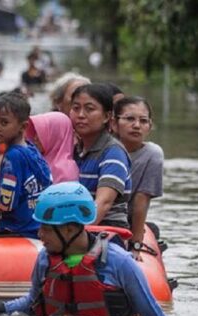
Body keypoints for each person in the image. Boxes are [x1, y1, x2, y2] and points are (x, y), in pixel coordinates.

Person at [0, 182, 171, 316]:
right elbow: (32, 301)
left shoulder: (120, 263)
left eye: (46, 228)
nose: (39, 234)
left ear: (70, 229)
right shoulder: (45, 259)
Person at [0, 92, 52, 238]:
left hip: (17, 230)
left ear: (23, 126)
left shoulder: (12, 157)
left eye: (4, 122)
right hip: (37, 225)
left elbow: (6, 204)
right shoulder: (32, 149)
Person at [70, 83, 132, 229]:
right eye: (76, 108)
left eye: (89, 109)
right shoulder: (75, 150)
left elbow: (103, 203)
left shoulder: (113, 152)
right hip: (77, 227)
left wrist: (72, 238)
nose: (80, 115)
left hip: (107, 229)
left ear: (106, 116)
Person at [112, 96, 163, 259]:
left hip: (124, 221)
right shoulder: (104, 148)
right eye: (129, 119)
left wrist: (135, 244)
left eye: (143, 121)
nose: (136, 125)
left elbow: (141, 201)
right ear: (114, 123)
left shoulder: (152, 154)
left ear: (150, 126)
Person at [24, 112, 79, 183]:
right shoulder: (37, 161)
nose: (35, 138)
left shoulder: (65, 172)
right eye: (35, 133)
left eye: (42, 133)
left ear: (55, 136)